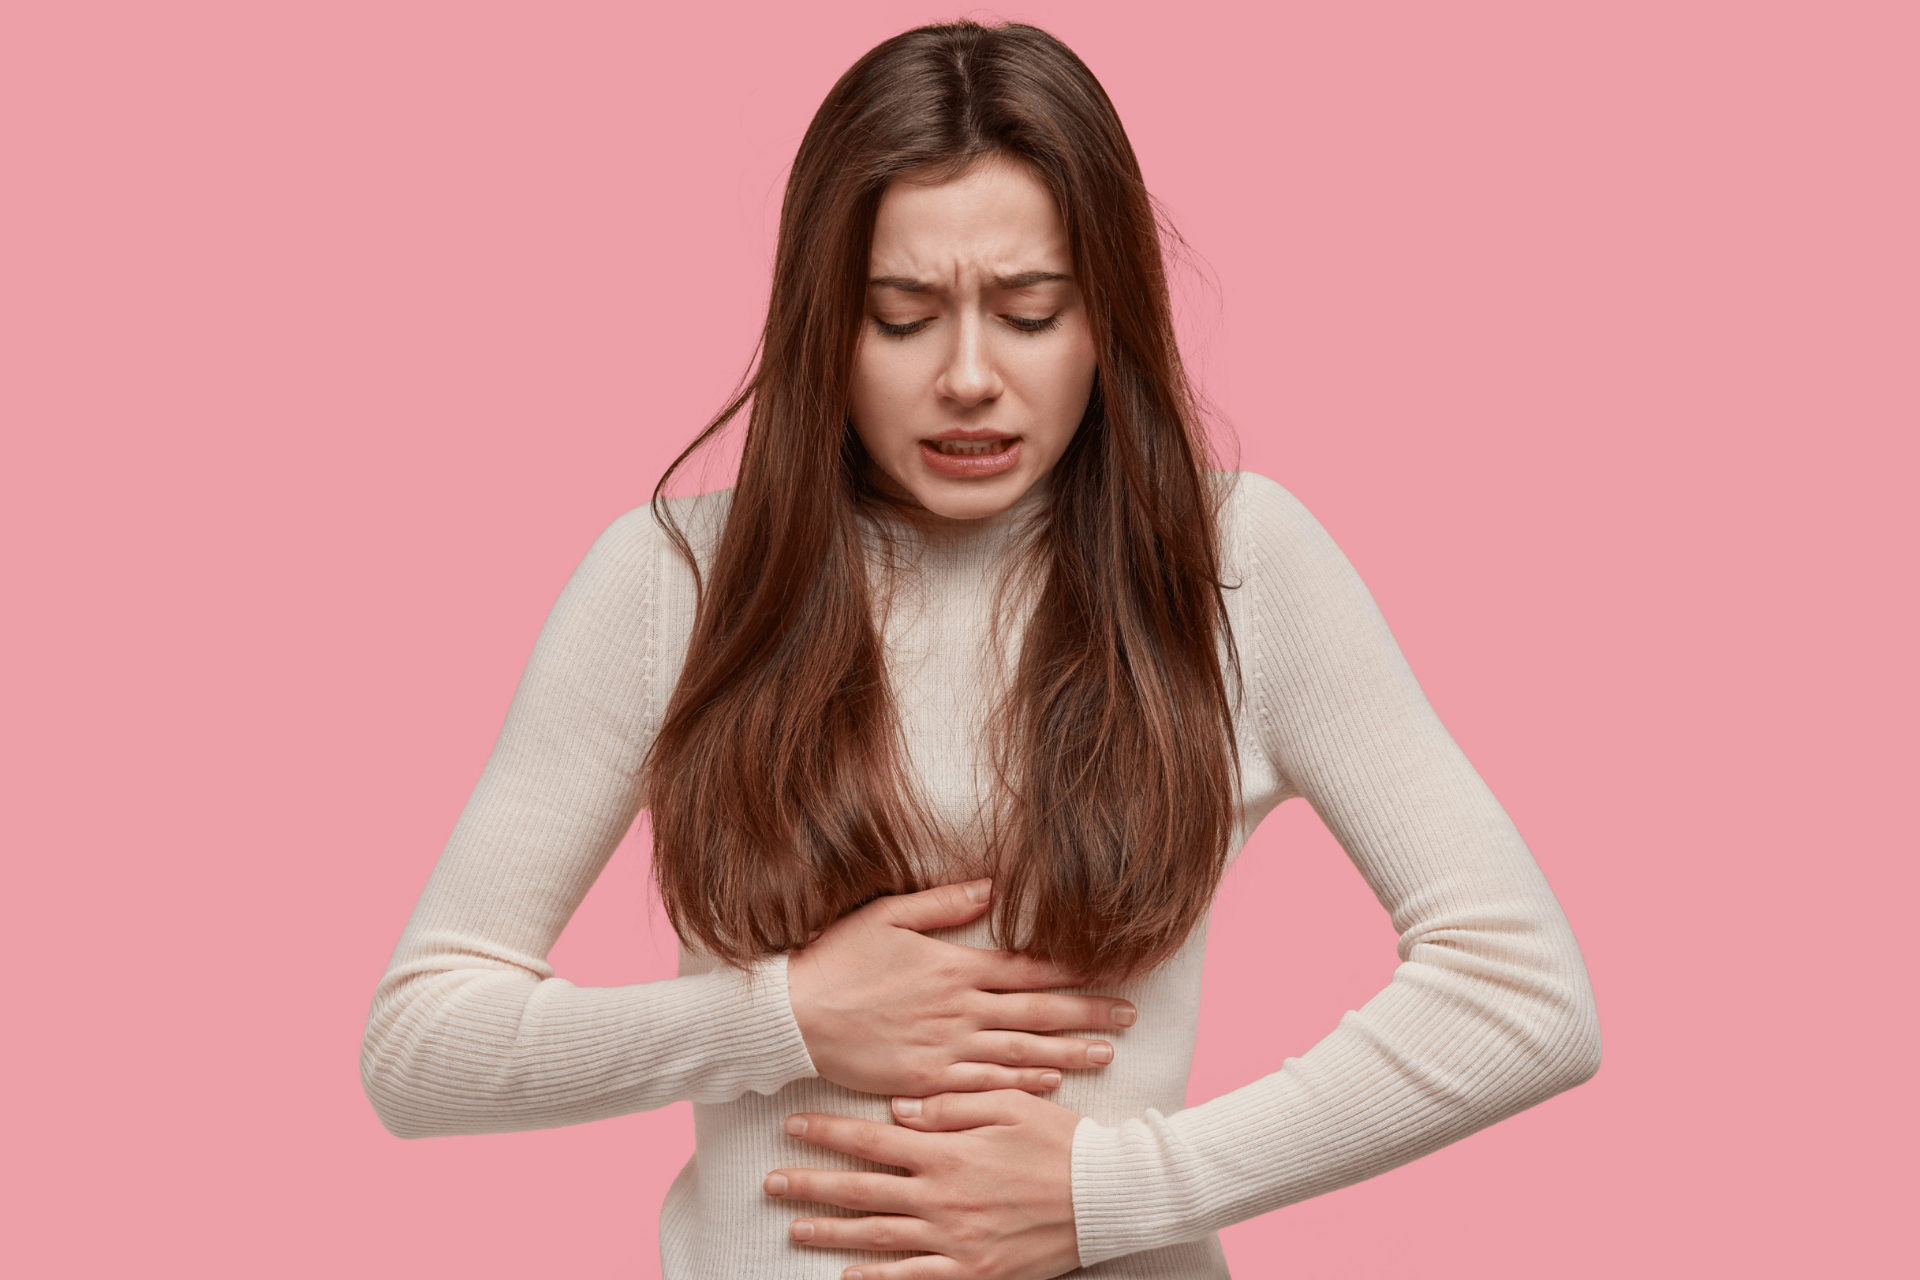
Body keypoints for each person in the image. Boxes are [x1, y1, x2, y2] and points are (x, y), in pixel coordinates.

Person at [361, 20, 1601, 1279]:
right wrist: (781, 1016)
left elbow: (1522, 994)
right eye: (901, 319)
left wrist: (1110, 1192)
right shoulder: (670, 580)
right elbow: (420, 1046)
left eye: (1028, 311)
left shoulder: (1236, 565)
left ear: (1103, 316)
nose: (969, 375)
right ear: (821, 330)